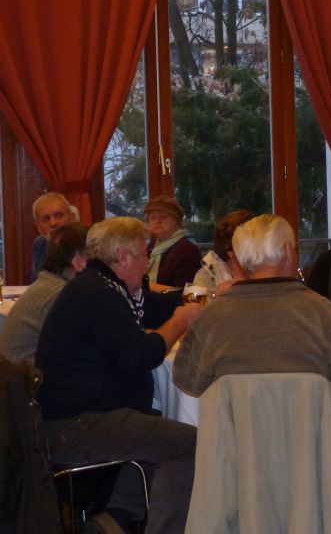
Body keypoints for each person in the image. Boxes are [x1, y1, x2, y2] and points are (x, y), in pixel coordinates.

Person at [35, 217, 203, 533]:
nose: (147, 262)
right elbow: (140, 355)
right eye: (144, 254)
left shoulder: (103, 286)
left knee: (157, 423)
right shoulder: (97, 293)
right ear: (123, 257)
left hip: (81, 416)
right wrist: (181, 322)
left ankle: (115, 520)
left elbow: (154, 306)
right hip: (75, 425)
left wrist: (191, 299)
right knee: (189, 444)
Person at [174, 213, 331, 423]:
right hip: (309, 439)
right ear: (289, 252)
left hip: (235, 440)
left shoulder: (212, 316)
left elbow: (186, 380)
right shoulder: (323, 313)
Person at [0, 223, 88, 363]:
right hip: (26, 375)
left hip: (17, 371)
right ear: (79, 260)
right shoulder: (64, 294)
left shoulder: (48, 282)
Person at [144, 194, 202, 290]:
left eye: (163, 216)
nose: (157, 221)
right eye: (152, 217)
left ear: (176, 220)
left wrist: (143, 286)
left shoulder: (187, 250)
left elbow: (183, 291)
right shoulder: (150, 247)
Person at [192, 209, 254, 295]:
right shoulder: (206, 276)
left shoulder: (261, 270)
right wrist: (218, 297)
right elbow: (194, 303)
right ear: (229, 250)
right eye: (251, 242)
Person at [29, 191, 76, 282]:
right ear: (37, 227)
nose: (53, 223)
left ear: (72, 218)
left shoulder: (86, 245)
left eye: (59, 215)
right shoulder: (39, 245)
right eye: (46, 219)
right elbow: (36, 283)